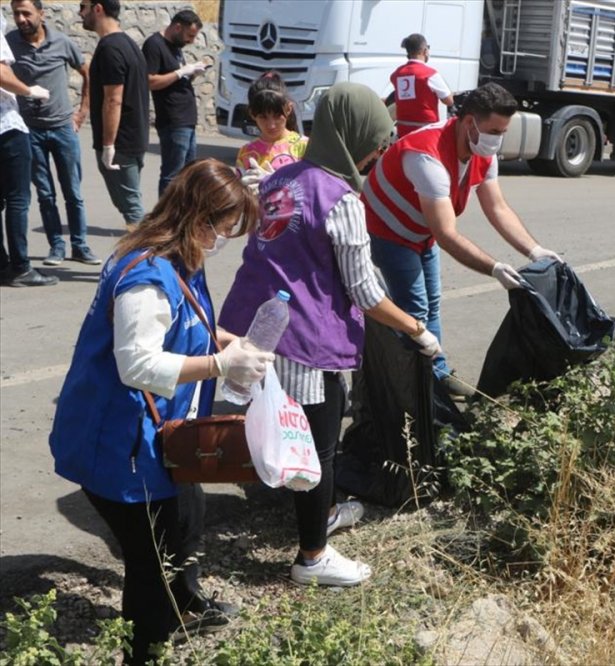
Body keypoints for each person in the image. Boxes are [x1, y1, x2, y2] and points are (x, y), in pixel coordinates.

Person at [49, 159, 273, 664]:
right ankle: (144, 649)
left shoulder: (176, 257)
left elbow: (184, 324)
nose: (223, 239)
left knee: (189, 516)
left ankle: (187, 604)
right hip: (118, 443)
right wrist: (220, 364)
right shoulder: (146, 279)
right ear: (196, 218)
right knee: (151, 558)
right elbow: (138, 364)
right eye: (222, 228)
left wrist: (229, 342)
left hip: (158, 434)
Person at [219, 83, 441, 587]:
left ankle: (317, 511)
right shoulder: (341, 200)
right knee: (316, 446)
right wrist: (417, 329)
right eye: (376, 141)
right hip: (301, 338)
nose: (377, 152)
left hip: (253, 327)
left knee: (279, 426)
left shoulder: (285, 178)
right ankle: (312, 557)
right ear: (353, 134)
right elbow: (364, 290)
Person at [362, 81, 560, 396]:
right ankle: (408, 386)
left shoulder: (482, 149)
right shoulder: (427, 156)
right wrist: (494, 268)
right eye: (495, 131)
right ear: (469, 123)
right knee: (414, 309)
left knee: (432, 305)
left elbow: (497, 208)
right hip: (385, 230)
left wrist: (534, 250)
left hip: (421, 231)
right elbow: (447, 235)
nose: (498, 139)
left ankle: (436, 376)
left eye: (503, 132)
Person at [7, 0, 99, 267]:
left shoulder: (62, 42)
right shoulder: (9, 42)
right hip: (29, 130)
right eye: (16, 14)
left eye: (26, 13)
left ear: (41, 14)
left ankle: (80, 245)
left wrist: (81, 112)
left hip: (62, 128)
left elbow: (87, 72)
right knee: (45, 194)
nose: (21, 19)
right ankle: (56, 246)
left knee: (73, 191)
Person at [81, 0, 149, 231]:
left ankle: (148, 261)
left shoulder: (110, 48)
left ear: (97, 9)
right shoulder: (128, 43)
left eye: (83, 7)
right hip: (133, 140)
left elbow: (114, 99)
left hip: (121, 143)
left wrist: (108, 144)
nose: (81, 13)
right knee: (131, 206)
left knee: (132, 211)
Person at [0, 11, 56, 286]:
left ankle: (1, 263)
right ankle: (20, 267)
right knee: (18, 199)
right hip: (6, 125)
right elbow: (0, 70)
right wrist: (28, 90)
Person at [142, 9, 206, 196]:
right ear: (177, 27)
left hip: (186, 119)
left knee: (188, 174)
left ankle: (182, 219)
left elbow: (174, 80)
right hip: (173, 120)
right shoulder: (154, 45)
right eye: (189, 35)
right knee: (173, 175)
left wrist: (191, 74)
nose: (191, 41)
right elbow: (150, 81)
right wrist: (181, 72)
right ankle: (165, 220)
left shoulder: (176, 46)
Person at [235, 70, 307, 174]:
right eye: (263, 117)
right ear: (252, 114)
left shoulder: (305, 147)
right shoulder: (246, 153)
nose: (271, 125)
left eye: (277, 116)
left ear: (288, 109)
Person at [390, 33, 454, 138]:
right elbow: (449, 101)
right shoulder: (430, 74)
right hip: (425, 132)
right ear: (425, 51)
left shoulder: (397, 74)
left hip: (403, 132)